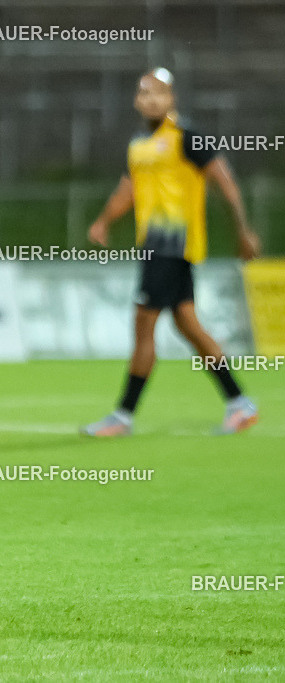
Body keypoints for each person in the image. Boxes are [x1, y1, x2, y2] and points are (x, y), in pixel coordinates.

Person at [81, 68, 261, 437]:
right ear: (136, 100)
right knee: (188, 325)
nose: (152, 99)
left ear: (172, 99)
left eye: (160, 93)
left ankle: (123, 416)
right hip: (153, 244)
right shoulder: (138, 144)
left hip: (173, 245)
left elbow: (224, 180)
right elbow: (129, 188)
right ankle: (240, 403)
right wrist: (104, 221)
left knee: (143, 323)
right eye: (145, 93)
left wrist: (243, 230)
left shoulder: (187, 137)